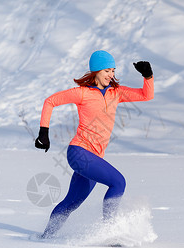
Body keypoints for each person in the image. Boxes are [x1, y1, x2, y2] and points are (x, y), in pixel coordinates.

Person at [35, 50, 154, 238]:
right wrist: (44, 132)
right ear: (96, 71)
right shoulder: (82, 93)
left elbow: (146, 96)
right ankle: (110, 232)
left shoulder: (117, 92)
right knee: (118, 182)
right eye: (107, 70)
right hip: (79, 153)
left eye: (113, 70)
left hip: (95, 157)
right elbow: (50, 101)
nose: (111, 75)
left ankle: (46, 237)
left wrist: (148, 76)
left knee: (72, 202)